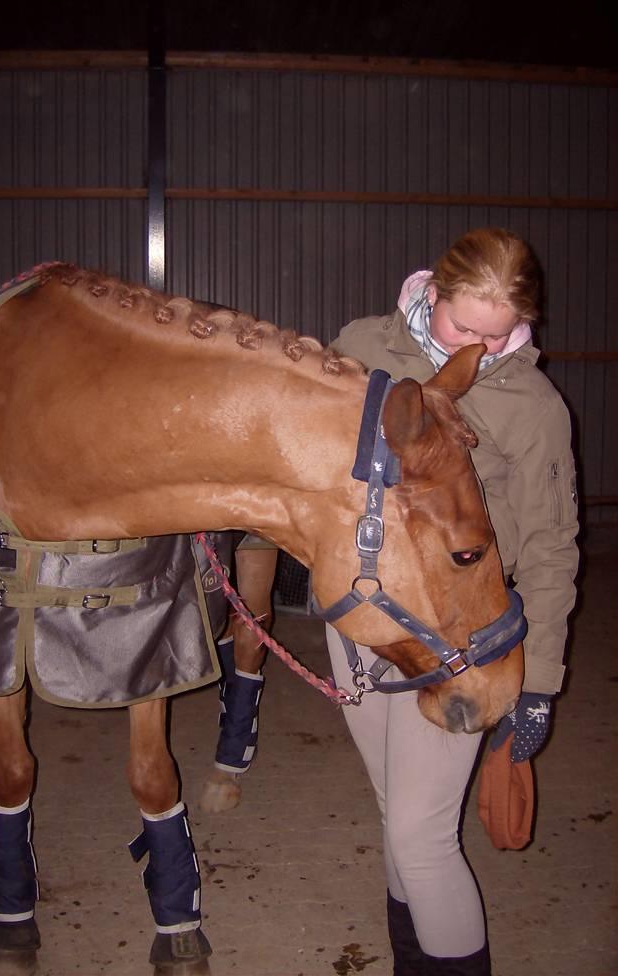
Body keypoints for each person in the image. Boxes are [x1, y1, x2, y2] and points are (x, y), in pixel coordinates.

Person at [324, 227, 579, 975]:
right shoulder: (360, 347)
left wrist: (538, 685)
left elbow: (552, 549)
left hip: (462, 636)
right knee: (393, 819)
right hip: (362, 625)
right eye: (464, 325)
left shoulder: (532, 406)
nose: (480, 345)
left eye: (498, 334)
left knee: (422, 838)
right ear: (430, 292)